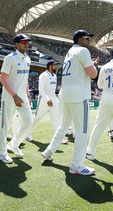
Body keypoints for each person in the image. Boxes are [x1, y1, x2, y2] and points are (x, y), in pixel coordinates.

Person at [42, 29, 98, 176]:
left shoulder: (70, 52)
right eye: (87, 38)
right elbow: (93, 74)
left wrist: (90, 65)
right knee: (82, 131)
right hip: (78, 95)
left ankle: (49, 151)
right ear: (79, 39)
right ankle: (76, 165)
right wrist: (94, 66)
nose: (89, 41)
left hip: (65, 94)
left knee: (63, 126)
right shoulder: (83, 51)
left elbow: (80, 69)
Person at [0, 34, 33, 164]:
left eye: (27, 42)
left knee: (29, 122)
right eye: (24, 42)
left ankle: (13, 145)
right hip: (9, 96)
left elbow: (25, 80)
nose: (26, 44)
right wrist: (14, 95)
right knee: (5, 126)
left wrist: (27, 95)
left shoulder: (28, 59)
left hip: (22, 96)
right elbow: (3, 78)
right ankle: (3, 153)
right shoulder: (10, 58)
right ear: (17, 44)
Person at [26, 60, 68, 144]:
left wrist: (54, 98)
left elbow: (53, 90)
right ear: (50, 66)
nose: (56, 66)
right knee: (37, 118)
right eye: (55, 65)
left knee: (56, 119)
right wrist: (47, 99)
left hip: (53, 99)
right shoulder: (43, 75)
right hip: (44, 100)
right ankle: (28, 135)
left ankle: (58, 139)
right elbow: (41, 90)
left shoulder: (55, 76)